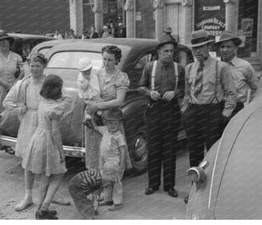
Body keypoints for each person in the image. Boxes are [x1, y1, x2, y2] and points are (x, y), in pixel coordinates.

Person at [182, 30, 237, 204]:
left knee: (212, 155)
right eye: (194, 48)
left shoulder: (221, 67)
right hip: (193, 112)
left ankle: (212, 193)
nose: (197, 52)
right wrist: (185, 110)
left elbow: (231, 93)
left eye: (201, 47)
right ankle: (194, 192)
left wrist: (224, 114)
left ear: (208, 47)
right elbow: (185, 93)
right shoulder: (189, 68)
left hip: (212, 112)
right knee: (194, 154)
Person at [138, 34, 185, 198]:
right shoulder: (149, 67)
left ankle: (169, 186)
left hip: (171, 112)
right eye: (165, 51)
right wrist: (150, 92)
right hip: (154, 110)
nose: (169, 54)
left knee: (170, 149)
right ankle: (153, 184)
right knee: (154, 149)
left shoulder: (179, 68)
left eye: (171, 51)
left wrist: (176, 92)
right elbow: (141, 87)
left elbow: (184, 89)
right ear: (158, 51)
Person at [21, 74, 73, 219]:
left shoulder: (43, 102)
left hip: (38, 138)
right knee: (59, 173)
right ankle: (44, 207)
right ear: (57, 89)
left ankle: (41, 209)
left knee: (45, 175)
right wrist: (61, 152)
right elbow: (56, 133)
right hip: (48, 141)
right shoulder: (55, 109)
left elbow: (66, 100)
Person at [3, 53, 47, 211]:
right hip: (29, 122)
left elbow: (60, 99)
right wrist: (18, 108)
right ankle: (28, 196)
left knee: (45, 158)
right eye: (32, 66)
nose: (35, 69)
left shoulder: (49, 82)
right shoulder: (23, 83)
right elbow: (7, 101)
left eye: (38, 66)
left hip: (45, 122)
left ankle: (47, 196)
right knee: (28, 161)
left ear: (44, 66)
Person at [83, 45, 130, 171]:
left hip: (111, 120)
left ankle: (112, 183)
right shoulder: (95, 74)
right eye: (104, 59)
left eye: (109, 60)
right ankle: (95, 182)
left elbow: (119, 101)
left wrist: (98, 105)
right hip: (95, 118)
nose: (106, 63)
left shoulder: (121, 77)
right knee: (95, 150)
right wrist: (89, 103)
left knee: (112, 150)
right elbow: (85, 92)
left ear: (116, 60)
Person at [89, 109, 128, 210]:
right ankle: (107, 198)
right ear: (106, 122)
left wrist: (122, 164)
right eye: (110, 123)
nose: (113, 126)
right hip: (104, 161)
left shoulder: (119, 136)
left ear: (120, 123)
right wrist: (91, 116)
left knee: (115, 181)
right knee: (106, 180)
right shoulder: (105, 130)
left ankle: (118, 202)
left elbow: (123, 151)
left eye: (116, 123)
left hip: (114, 162)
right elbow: (95, 127)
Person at [215, 31, 258, 116]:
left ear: (235, 48)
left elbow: (256, 88)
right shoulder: (215, 66)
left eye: (229, 47)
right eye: (222, 47)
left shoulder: (245, 66)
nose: (225, 50)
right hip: (217, 108)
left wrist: (250, 106)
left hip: (237, 109)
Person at [77, 57, 102, 125]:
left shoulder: (93, 72)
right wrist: (87, 80)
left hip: (95, 93)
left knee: (98, 104)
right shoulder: (81, 77)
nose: (87, 72)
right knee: (89, 107)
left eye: (89, 70)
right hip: (88, 95)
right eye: (84, 71)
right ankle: (88, 119)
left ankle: (98, 115)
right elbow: (83, 87)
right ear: (80, 71)